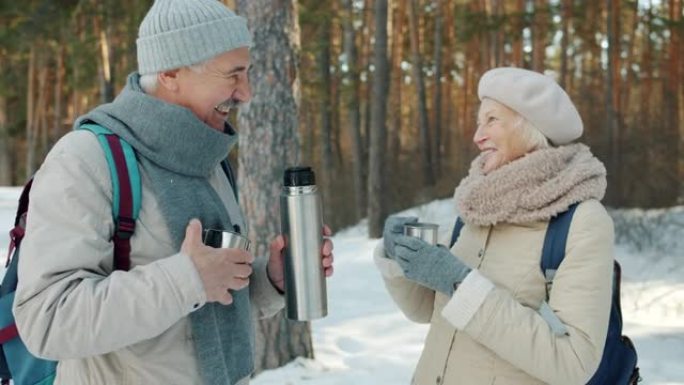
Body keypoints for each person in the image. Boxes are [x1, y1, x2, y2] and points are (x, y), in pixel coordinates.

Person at [12, 0, 334, 384]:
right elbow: (47, 321)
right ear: (170, 72)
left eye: (246, 73)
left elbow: (204, 309)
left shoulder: (209, 159)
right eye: (233, 74)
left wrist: (272, 280)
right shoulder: (86, 159)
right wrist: (187, 279)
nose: (246, 93)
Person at [375, 67, 613, 384]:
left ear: (532, 127)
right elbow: (426, 309)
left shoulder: (581, 221)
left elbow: (572, 361)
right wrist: (398, 256)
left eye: (491, 120)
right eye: (478, 122)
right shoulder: (476, 206)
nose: (477, 136)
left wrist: (461, 283)